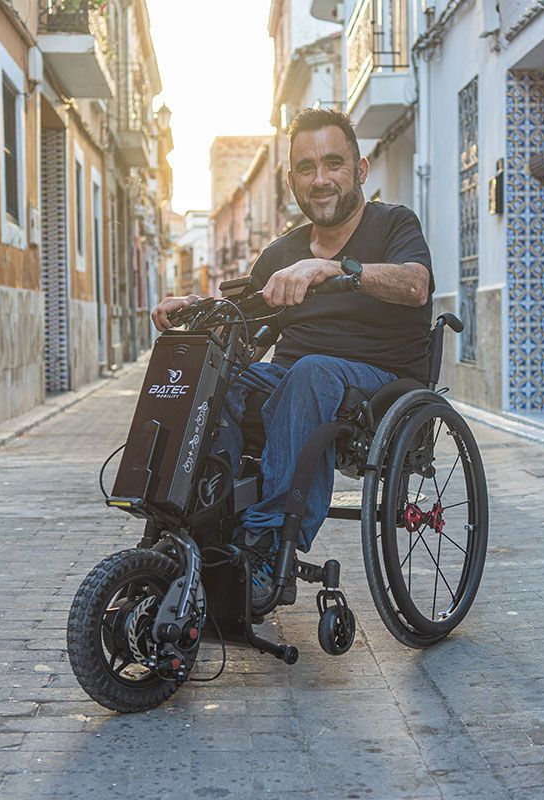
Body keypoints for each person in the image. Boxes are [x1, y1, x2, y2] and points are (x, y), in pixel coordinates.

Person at [151, 108, 434, 610]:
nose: (320, 180)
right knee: (222, 381)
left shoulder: (394, 224)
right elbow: (245, 324)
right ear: (291, 181)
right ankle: (194, 523)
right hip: (295, 381)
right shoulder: (281, 253)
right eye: (307, 168)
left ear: (360, 171)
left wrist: (332, 268)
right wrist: (193, 312)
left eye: (333, 164)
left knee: (310, 372)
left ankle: (266, 547)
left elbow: (416, 286)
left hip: (379, 385)